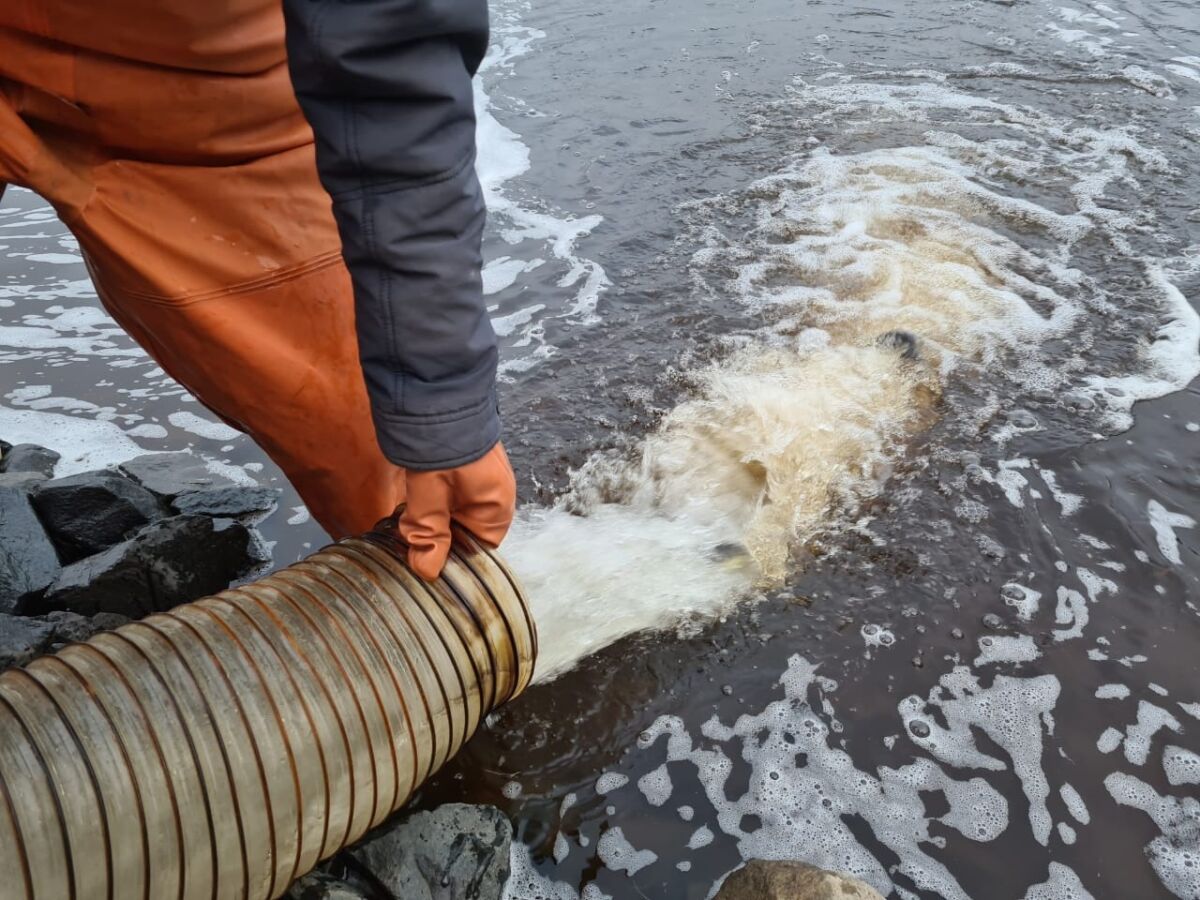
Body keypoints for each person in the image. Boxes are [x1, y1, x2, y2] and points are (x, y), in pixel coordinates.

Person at [0, 0, 516, 580]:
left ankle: (433, 627)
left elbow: (392, 57)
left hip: (206, 95)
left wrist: (443, 410)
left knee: (385, 467)